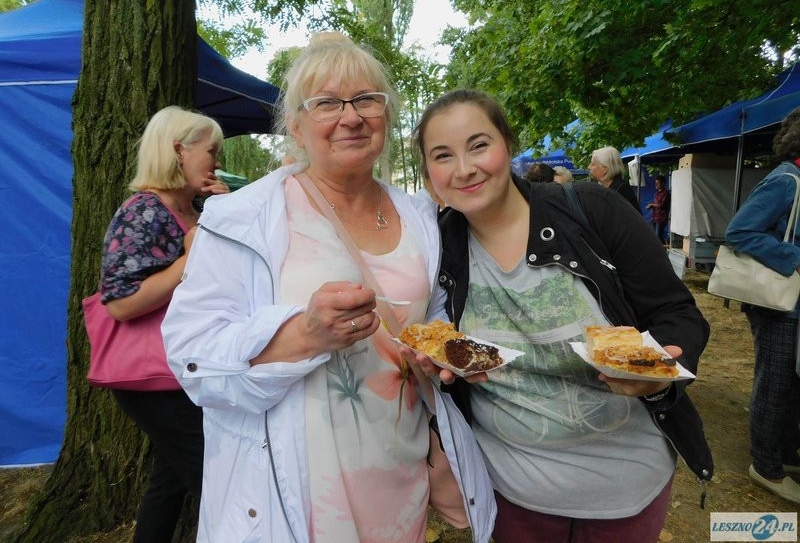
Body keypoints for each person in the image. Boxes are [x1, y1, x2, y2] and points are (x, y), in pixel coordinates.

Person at [161, 34, 495, 543]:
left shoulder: (422, 215)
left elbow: (435, 315)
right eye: (327, 104)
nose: (352, 116)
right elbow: (191, 357)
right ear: (294, 125)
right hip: (294, 489)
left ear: (386, 114)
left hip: (399, 467)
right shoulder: (242, 219)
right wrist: (306, 334)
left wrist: (439, 349)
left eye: (366, 99)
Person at [412, 89, 713, 543]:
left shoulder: (591, 210)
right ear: (429, 173)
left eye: (479, 145)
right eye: (443, 155)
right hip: (509, 492)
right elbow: (437, 341)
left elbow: (677, 315)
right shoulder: (437, 247)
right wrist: (436, 366)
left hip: (625, 487)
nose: (464, 168)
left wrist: (659, 372)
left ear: (507, 144)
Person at [99, 106, 229, 542]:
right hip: (159, 381)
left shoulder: (193, 208)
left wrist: (225, 213)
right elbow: (119, 303)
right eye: (211, 151)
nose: (216, 161)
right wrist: (189, 261)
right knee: (220, 483)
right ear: (179, 150)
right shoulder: (142, 212)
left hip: (187, 371)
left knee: (169, 483)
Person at [725, 107, 800, 504]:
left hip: (793, 302)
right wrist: (792, 257)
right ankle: (766, 465)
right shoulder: (786, 180)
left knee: (791, 383)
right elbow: (739, 231)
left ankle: (785, 454)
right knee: (775, 382)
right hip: (778, 303)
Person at [588, 146, 642, 213]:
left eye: (593, 164)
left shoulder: (621, 192)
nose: (589, 167)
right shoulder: (609, 188)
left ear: (604, 169)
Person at [646, 176, 671, 245]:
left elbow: (661, 205)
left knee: (658, 236)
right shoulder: (656, 194)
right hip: (655, 218)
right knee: (656, 236)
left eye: (658, 183)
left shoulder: (666, 194)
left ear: (663, 183)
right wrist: (651, 206)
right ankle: (662, 250)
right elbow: (656, 204)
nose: (656, 184)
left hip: (661, 218)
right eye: (655, 183)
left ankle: (664, 251)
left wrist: (651, 205)